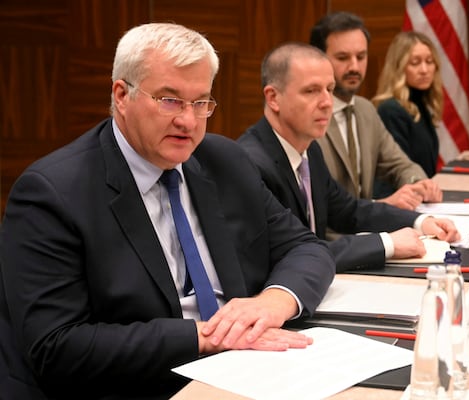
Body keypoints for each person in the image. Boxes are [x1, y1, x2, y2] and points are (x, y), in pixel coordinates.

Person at [0, 23, 335, 400]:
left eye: (200, 102)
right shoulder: (52, 192)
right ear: (122, 95)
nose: (188, 122)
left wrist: (273, 302)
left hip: (249, 369)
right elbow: (57, 346)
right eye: (169, 100)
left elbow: (307, 247)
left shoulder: (224, 160)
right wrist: (207, 336)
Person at [236, 42, 459, 273]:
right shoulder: (250, 164)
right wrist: (388, 243)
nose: (326, 103)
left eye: (330, 89)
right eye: (311, 91)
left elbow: (349, 211)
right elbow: (295, 251)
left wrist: (419, 222)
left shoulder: (309, 149)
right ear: (273, 98)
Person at [309, 11, 443, 211]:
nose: (354, 66)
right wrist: (383, 205)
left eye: (361, 56)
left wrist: (418, 183)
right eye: (343, 57)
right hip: (330, 237)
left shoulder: (366, 110)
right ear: (318, 58)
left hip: (368, 231)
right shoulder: (307, 115)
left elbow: (400, 164)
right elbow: (317, 206)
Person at [372, 31, 442, 182]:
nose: (424, 70)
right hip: (401, 198)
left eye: (429, 61)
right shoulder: (391, 110)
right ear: (399, 67)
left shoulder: (421, 105)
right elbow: (398, 169)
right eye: (415, 63)